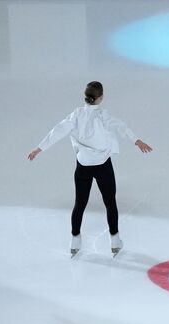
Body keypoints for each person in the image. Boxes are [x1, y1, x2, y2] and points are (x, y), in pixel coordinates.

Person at [28, 81, 154, 258]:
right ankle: (115, 240)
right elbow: (120, 126)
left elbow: (57, 131)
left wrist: (38, 148)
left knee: (80, 203)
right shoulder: (103, 115)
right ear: (100, 98)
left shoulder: (76, 115)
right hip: (103, 165)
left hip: (83, 166)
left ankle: (74, 241)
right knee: (110, 202)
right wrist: (136, 140)